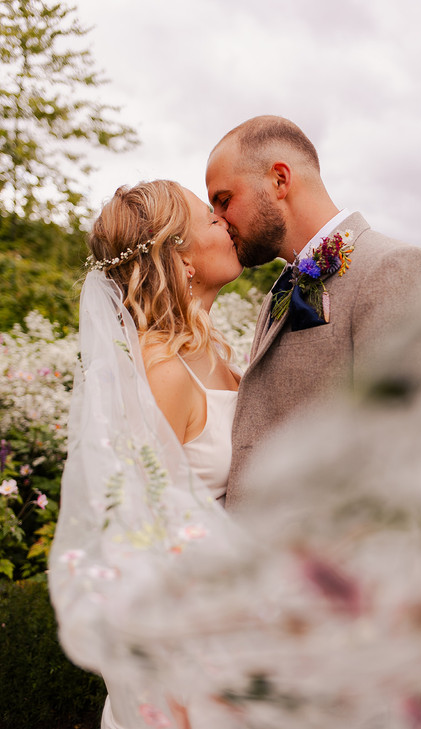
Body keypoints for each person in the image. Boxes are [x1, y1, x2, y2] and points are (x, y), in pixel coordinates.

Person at [48, 180, 244, 729]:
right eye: (210, 217)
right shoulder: (163, 374)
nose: (225, 223)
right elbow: (140, 543)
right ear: (178, 257)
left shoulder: (206, 349)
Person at [206, 115, 421, 509]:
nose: (219, 221)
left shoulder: (397, 269)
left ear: (279, 180)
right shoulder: (281, 290)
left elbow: (408, 468)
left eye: (224, 200)